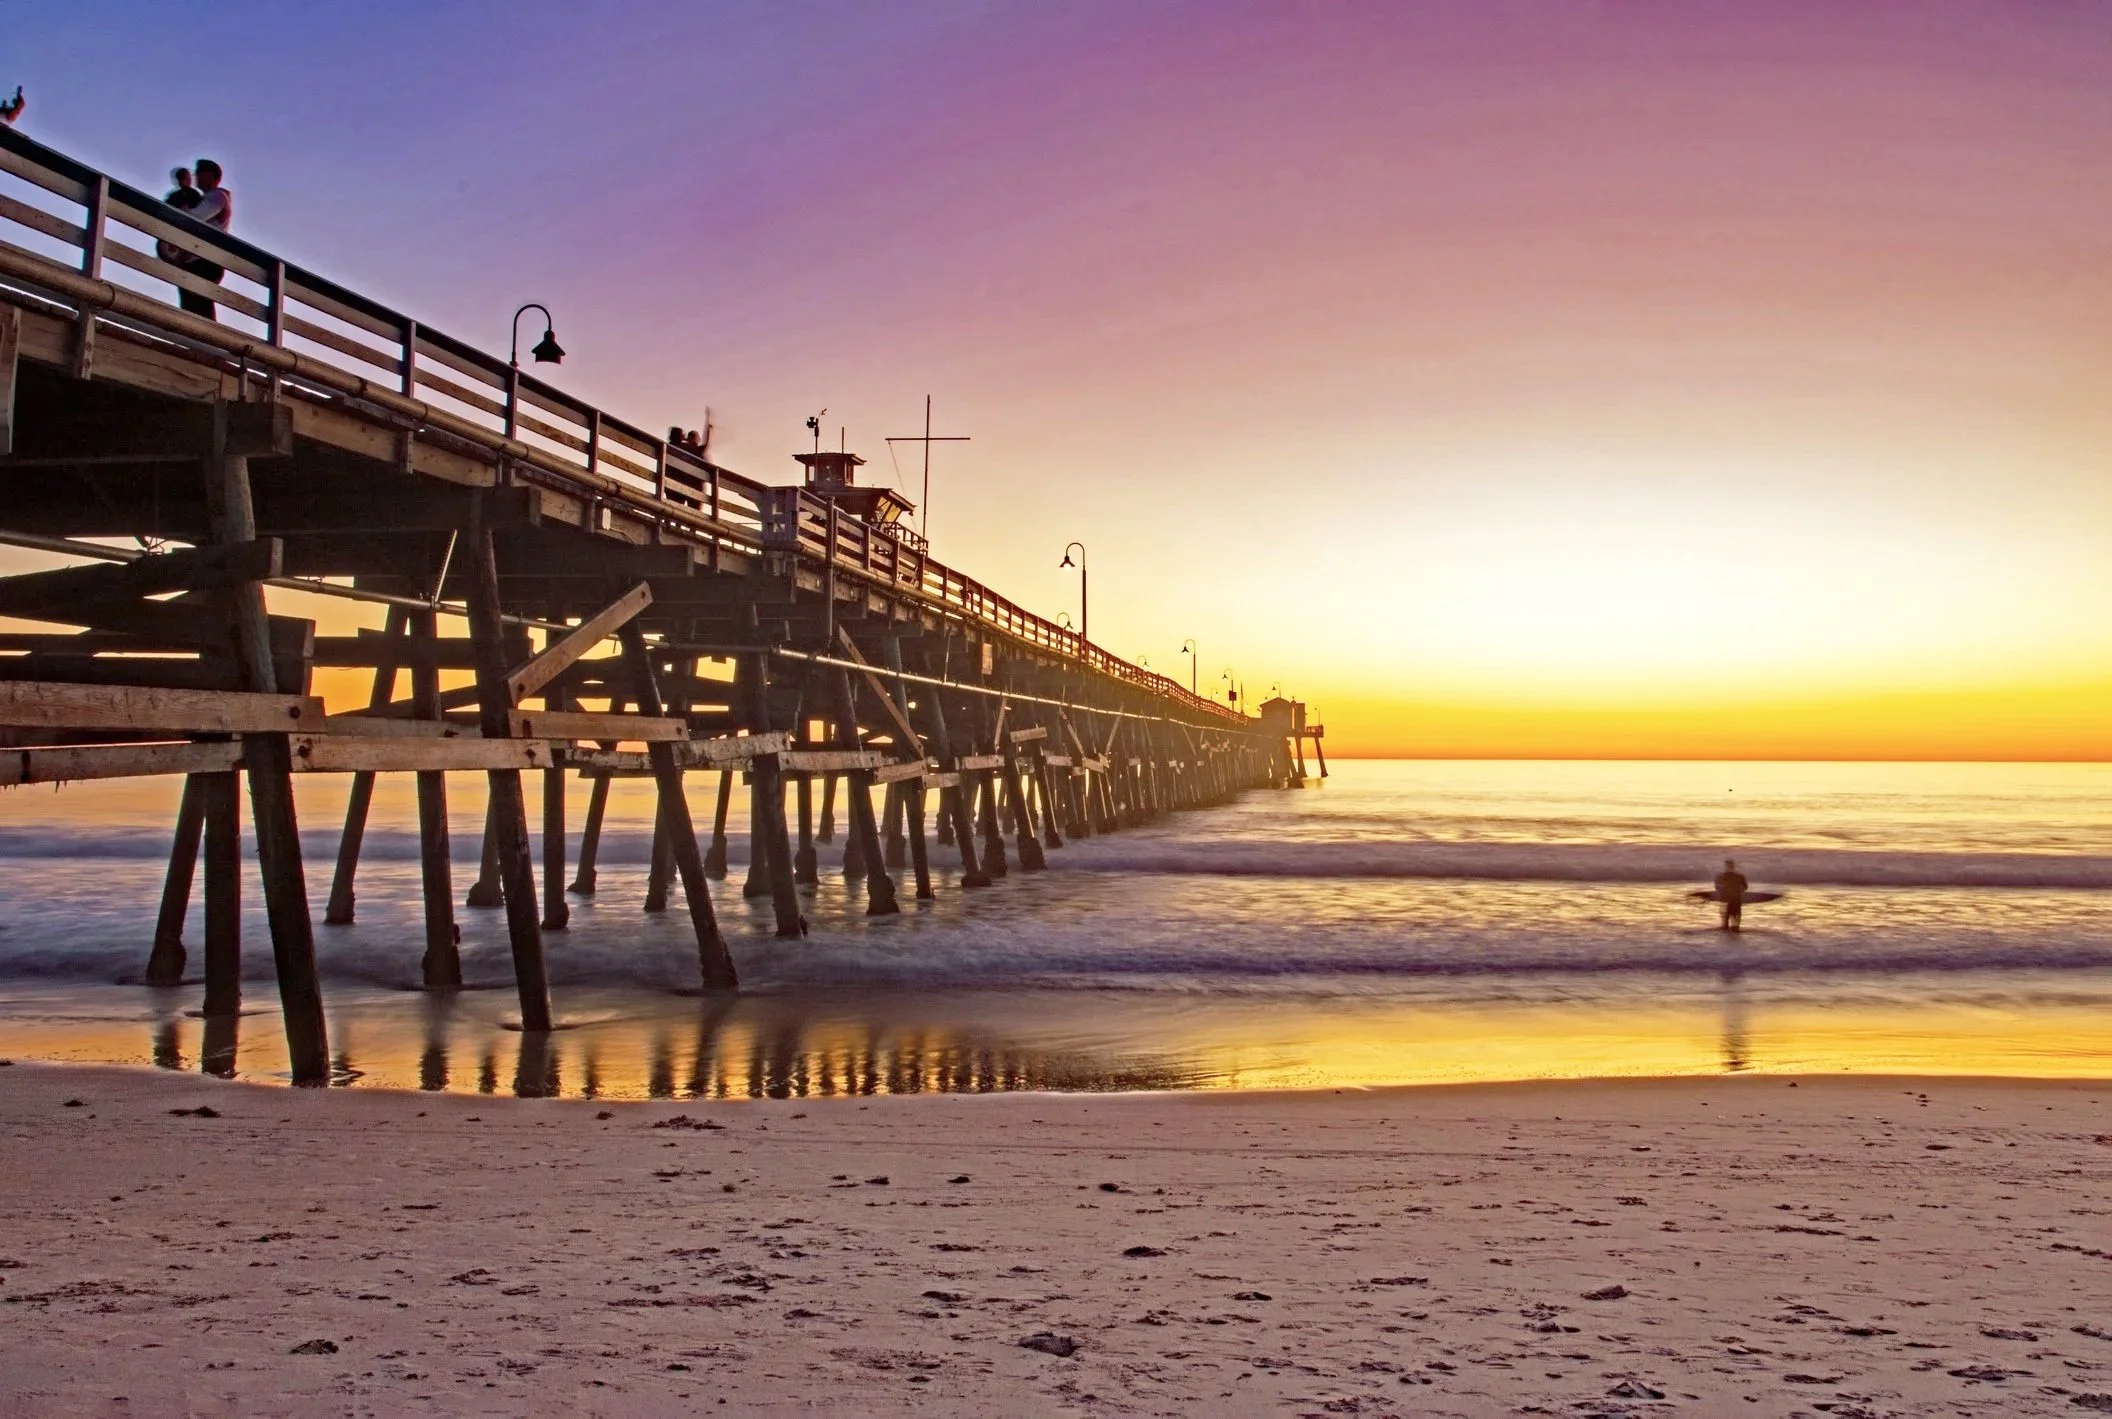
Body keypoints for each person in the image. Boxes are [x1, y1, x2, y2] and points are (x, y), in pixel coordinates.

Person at [176, 159, 231, 320]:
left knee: (200, 306)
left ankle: (205, 342)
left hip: (205, 260)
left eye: (200, 173)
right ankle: (196, 342)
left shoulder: (217, 196)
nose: (196, 176)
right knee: (191, 306)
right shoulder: (209, 197)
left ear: (211, 175)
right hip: (198, 258)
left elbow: (196, 217)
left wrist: (183, 210)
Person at [1713, 857, 1749, 933]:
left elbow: (1717, 888)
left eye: (1728, 866)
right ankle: (1733, 942)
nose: (1729, 867)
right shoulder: (1739, 877)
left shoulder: (1720, 876)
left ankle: (1728, 942)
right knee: (1734, 926)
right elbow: (1745, 887)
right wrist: (1738, 892)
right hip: (1734, 900)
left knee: (1725, 926)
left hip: (1726, 901)